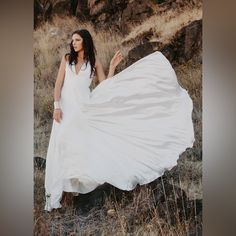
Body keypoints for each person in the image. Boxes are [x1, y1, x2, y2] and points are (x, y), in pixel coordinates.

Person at [44, 29, 195, 212]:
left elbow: (104, 86)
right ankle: (59, 193)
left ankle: (70, 193)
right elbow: (58, 84)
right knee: (61, 146)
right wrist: (56, 106)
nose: (73, 43)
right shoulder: (67, 59)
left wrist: (112, 68)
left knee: (77, 147)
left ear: (85, 42)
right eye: (72, 40)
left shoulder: (94, 62)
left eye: (77, 40)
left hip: (84, 110)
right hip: (65, 110)